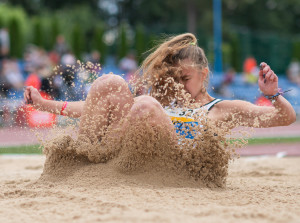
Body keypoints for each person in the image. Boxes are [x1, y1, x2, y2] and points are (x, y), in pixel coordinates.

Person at [24, 33, 296, 144]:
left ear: (204, 74)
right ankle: (82, 164)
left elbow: (285, 118)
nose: (178, 86)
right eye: (173, 78)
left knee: (145, 105)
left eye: (185, 78)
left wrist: (271, 94)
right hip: (126, 161)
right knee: (111, 83)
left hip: (175, 171)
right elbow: (96, 107)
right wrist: (45, 105)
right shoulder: (158, 99)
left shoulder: (221, 109)